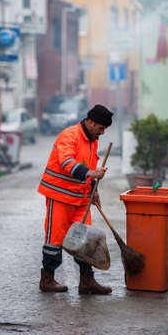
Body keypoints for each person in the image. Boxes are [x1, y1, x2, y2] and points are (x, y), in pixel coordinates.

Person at [37, 104, 113, 294]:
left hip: (81, 199)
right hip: (60, 196)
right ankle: (47, 279)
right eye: (101, 128)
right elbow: (66, 163)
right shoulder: (69, 135)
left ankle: (86, 281)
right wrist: (91, 173)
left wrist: (93, 190)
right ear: (91, 122)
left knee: (85, 240)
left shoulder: (92, 139)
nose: (102, 133)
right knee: (54, 239)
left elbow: (90, 167)